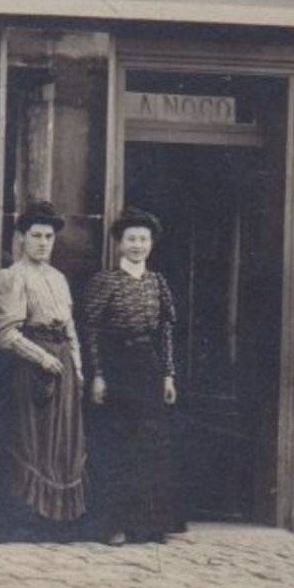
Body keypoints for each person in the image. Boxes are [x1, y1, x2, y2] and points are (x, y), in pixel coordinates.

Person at [83, 208, 180, 545]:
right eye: (131, 239)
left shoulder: (157, 283)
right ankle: (114, 525)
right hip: (115, 365)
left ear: (151, 243)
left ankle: (149, 525)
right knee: (117, 446)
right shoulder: (105, 281)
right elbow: (92, 330)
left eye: (143, 239)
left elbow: (166, 331)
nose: (138, 245)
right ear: (119, 243)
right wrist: (98, 375)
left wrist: (168, 374)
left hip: (148, 367)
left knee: (149, 445)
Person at [0, 200, 87, 531]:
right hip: (32, 367)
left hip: (62, 365)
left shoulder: (59, 278)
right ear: (22, 237)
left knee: (63, 440)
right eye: (36, 235)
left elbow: (70, 326)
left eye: (48, 236)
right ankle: (29, 518)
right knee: (34, 439)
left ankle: (58, 520)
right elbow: (5, 334)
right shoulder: (11, 277)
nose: (43, 242)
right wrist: (42, 358)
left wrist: (76, 366)